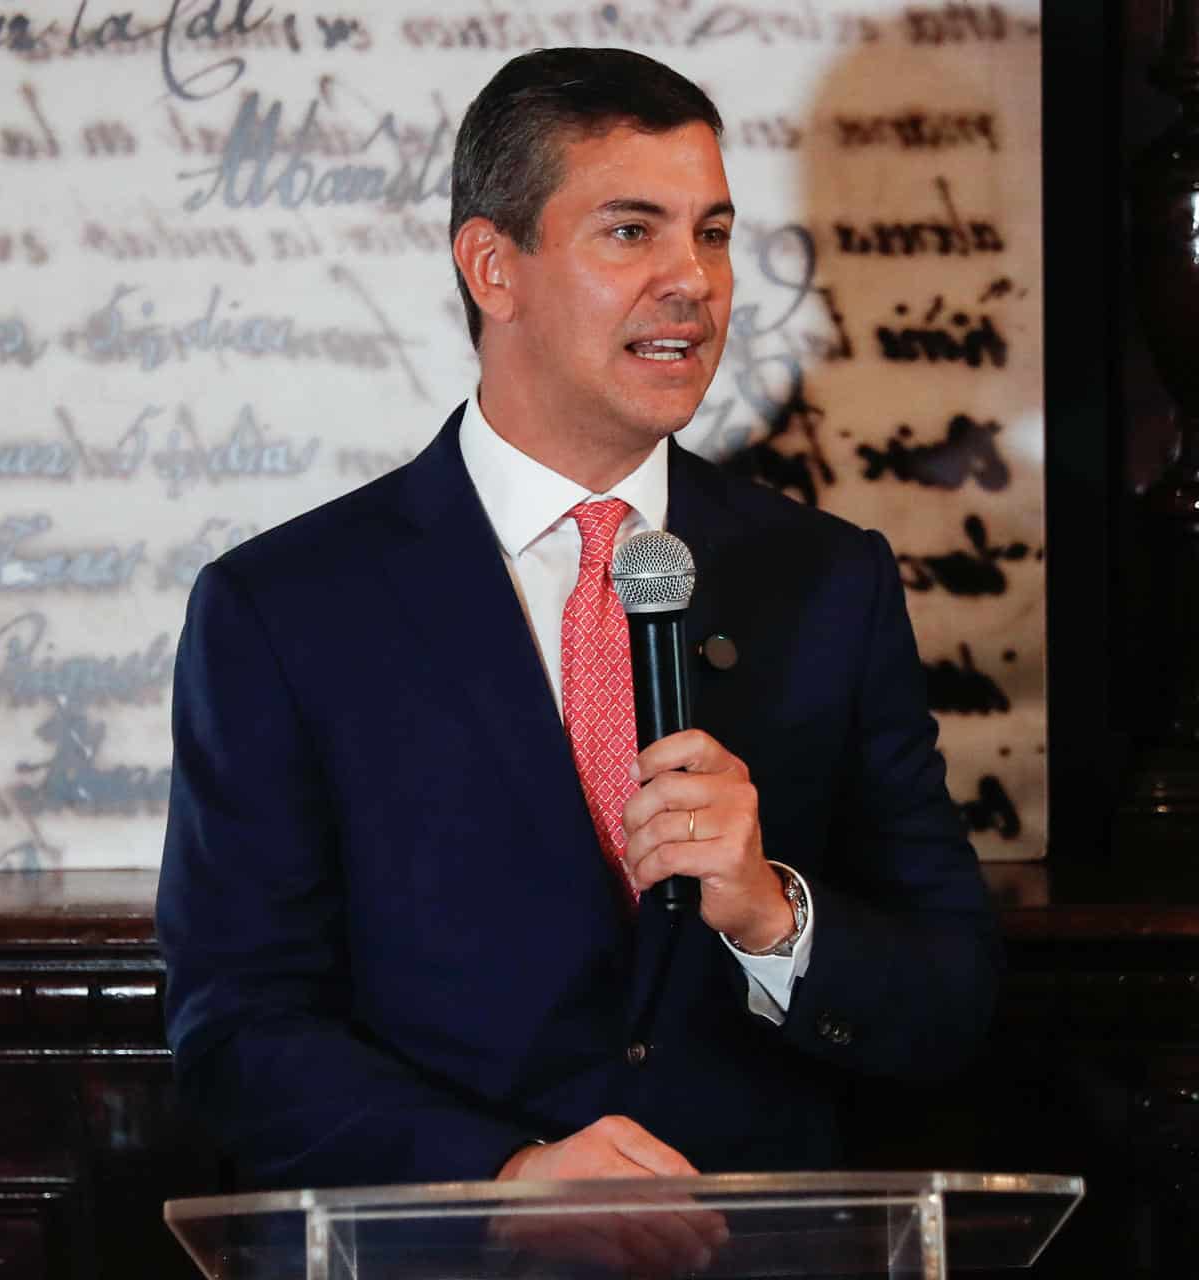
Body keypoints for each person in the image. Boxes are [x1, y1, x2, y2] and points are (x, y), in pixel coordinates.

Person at [156, 46, 998, 1191]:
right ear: (493, 267)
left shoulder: (830, 578)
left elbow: (954, 994)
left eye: (711, 232)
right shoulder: (282, 609)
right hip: (445, 1255)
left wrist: (770, 913)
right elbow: (238, 1031)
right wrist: (504, 1173)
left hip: (754, 1252)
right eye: (630, 230)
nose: (693, 281)